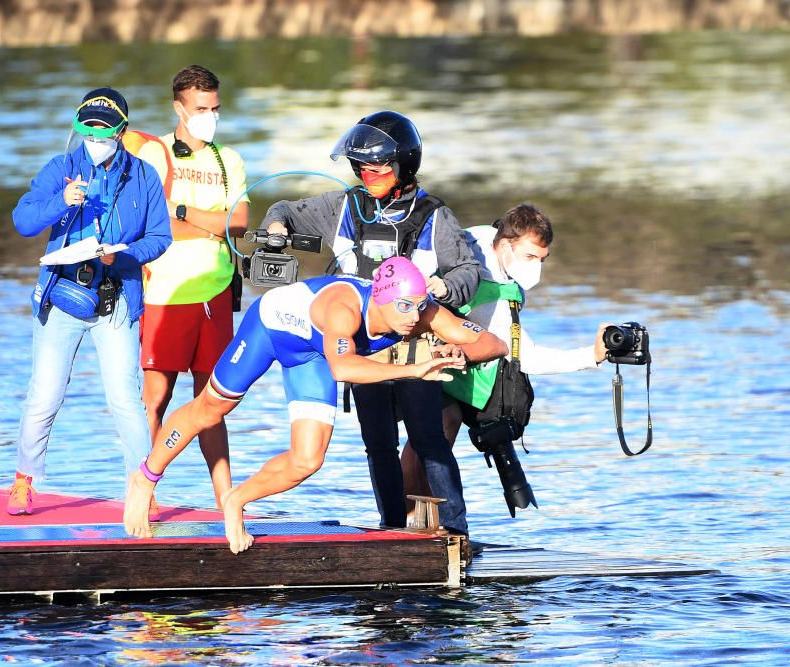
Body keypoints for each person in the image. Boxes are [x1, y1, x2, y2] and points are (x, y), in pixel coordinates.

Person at [122, 257, 507, 553]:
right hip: (272, 329)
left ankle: (236, 499)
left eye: (420, 306)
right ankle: (146, 477)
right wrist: (417, 369)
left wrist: (458, 350)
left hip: (314, 355)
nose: (413, 317)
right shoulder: (344, 308)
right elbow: (342, 368)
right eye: (404, 307)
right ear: (381, 298)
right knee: (212, 408)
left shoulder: (422, 313)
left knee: (308, 460)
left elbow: (494, 343)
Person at [259, 111, 480, 537]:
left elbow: (468, 271)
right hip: (361, 341)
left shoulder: (435, 216)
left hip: (415, 338)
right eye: (361, 167)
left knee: (427, 439)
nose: (368, 174)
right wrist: (276, 226)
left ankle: (456, 531)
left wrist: (444, 287)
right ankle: (391, 529)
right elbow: (284, 208)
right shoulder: (344, 205)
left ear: (404, 166)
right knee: (378, 443)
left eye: (378, 168)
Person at [8, 87, 172, 515]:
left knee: (125, 398)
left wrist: (125, 254)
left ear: (121, 132)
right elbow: (23, 220)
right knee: (44, 394)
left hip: (115, 300)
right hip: (61, 296)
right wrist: (59, 202)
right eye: (89, 131)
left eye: (104, 133)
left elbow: (160, 236)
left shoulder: (142, 176)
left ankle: (142, 488)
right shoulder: (60, 168)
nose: (96, 140)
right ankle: (25, 480)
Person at [401, 204, 609, 514]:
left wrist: (591, 356)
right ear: (506, 242)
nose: (536, 267)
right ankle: (412, 523)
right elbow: (528, 358)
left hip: (453, 359)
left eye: (542, 259)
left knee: (440, 433)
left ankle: (421, 523)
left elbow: (520, 353)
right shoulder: (477, 255)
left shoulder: (492, 255)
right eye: (529, 257)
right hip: (414, 347)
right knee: (436, 435)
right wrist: (591, 356)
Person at [134, 65, 250, 510]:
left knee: (213, 403)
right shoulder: (154, 155)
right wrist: (207, 224)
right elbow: (153, 224)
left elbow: (237, 223)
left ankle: (226, 501)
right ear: (178, 108)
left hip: (215, 294)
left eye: (215, 108)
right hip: (164, 293)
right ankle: (147, 491)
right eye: (201, 109)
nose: (210, 117)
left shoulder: (228, 159)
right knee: (155, 401)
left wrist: (183, 212)